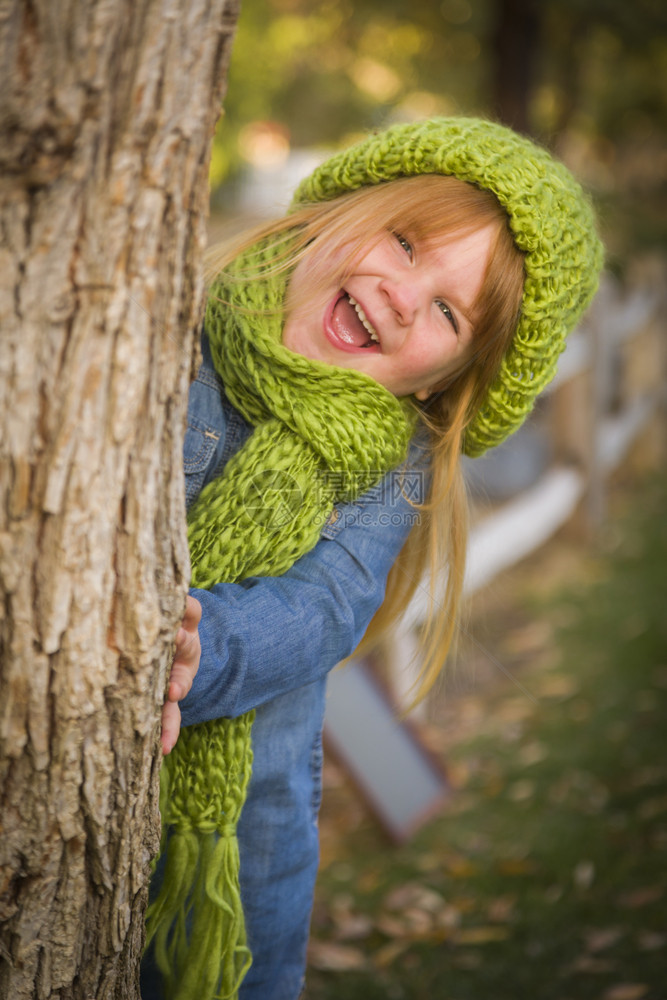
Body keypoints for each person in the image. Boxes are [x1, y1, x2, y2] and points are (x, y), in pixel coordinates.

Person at [142, 116, 604, 1000]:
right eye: (403, 240)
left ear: (440, 380)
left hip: (243, 837)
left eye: (446, 310)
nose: (402, 294)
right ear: (331, 214)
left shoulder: (389, 463)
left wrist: (204, 647)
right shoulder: (174, 328)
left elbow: (326, 605)